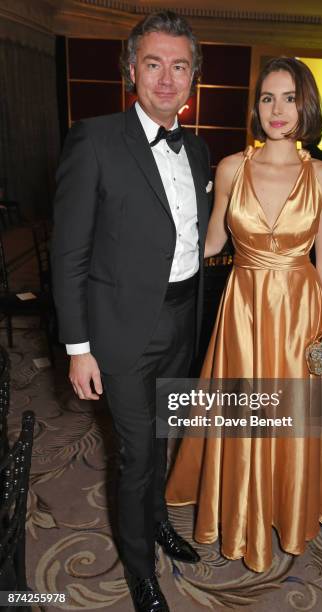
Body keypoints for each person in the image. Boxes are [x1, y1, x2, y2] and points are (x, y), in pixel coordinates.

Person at [166, 57, 322, 572]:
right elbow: (210, 241)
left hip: (299, 310)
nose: (277, 109)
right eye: (268, 97)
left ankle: (284, 508)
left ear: (306, 105)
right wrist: (151, 263)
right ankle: (241, 513)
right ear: (256, 106)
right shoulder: (231, 167)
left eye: (289, 98)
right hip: (243, 310)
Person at [51, 11, 212, 612]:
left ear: (193, 77)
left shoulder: (197, 150)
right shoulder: (93, 139)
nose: (166, 79)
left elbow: (194, 239)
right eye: (153, 64)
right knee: (138, 453)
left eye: (178, 66)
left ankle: (158, 524)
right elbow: (68, 253)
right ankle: (140, 569)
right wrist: (77, 347)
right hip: (120, 332)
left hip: (181, 322)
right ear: (131, 71)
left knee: (165, 437)